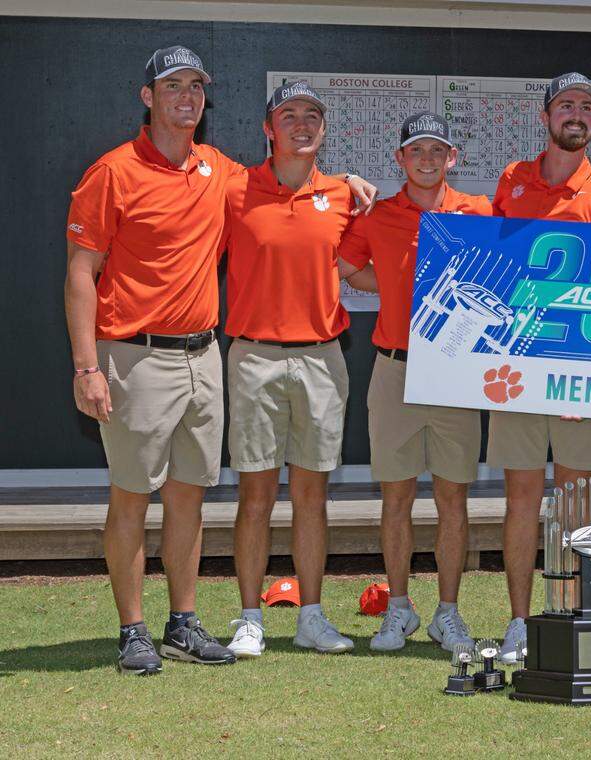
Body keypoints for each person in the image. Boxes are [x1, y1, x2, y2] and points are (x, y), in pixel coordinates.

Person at [65, 47, 375, 675]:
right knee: (131, 498)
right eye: (172, 85)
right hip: (133, 354)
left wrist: (353, 184)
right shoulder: (113, 172)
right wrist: (86, 367)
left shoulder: (220, 172)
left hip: (204, 355)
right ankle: (133, 630)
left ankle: (182, 622)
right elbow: (79, 273)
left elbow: (291, 180)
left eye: (196, 87)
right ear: (147, 96)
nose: (186, 97)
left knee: (189, 498)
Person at [224, 82, 375, 658]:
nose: (302, 124)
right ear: (269, 128)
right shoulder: (235, 190)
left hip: (321, 356)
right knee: (255, 494)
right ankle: (250, 619)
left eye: (313, 116)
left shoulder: (342, 195)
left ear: (324, 130)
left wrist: (427, 293)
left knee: (312, 495)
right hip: (254, 355)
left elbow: (359, 270)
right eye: (290, 115)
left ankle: (311, 616)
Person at [489, 72, 591, 663]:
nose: (575, 114)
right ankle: (521, 622)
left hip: (579, 371)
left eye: (586, 108)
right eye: (565, 105)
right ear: (546, 117)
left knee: (577, 503)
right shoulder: (512, 180)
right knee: (521, 497)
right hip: (518, 365)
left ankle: (571, 614)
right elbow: (492, 262)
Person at [338, 112, 491, 653]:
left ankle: (447, 613)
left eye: (437, 151)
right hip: (395, 365)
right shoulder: (378, 215)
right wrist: (396, 286)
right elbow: (346, 265)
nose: (427, 159)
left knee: (453, 497)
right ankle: (398, 609)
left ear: (454, 159)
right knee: (396, 495)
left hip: (456, 370)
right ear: (400, 159)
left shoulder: (479, 211)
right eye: (416, 150)